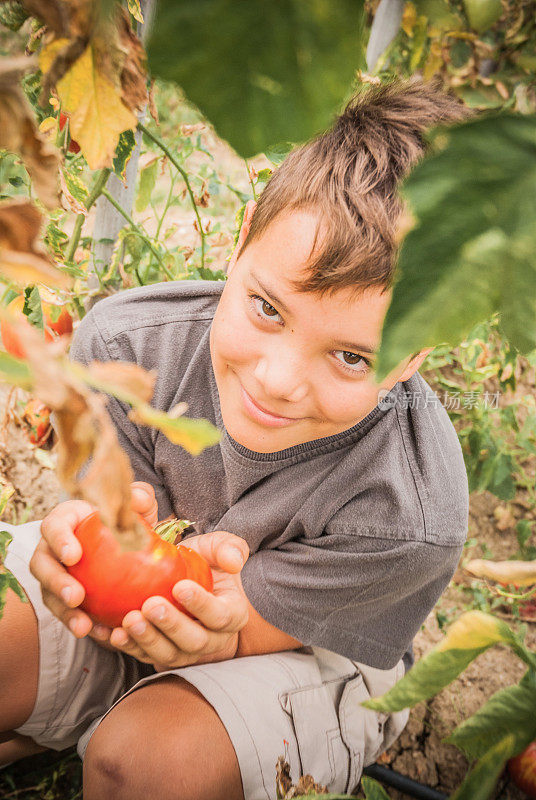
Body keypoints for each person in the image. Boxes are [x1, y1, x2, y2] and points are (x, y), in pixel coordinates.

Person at [0, 78, 471, 800]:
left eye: (352, 356)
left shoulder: (409, 514)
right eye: (267, 307)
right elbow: (113, 544)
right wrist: (76, 549)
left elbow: (233, 629)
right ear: (245, 234)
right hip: (158, 596)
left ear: (416, 355)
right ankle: (70, 716)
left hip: (308, 643)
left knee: (145, 763)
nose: (279, 380)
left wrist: (212, 635)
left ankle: (91, 725)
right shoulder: (125, 347)